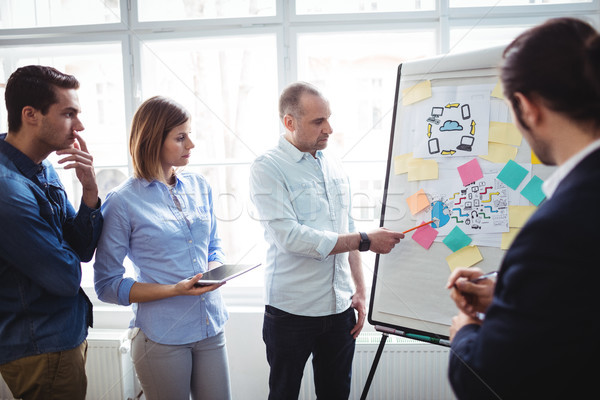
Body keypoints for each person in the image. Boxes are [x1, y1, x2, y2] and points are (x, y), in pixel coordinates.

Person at [446, 17, 600, 400]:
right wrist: (508, 294)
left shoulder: (554, 230)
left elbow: (487, 381)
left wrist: (465, 329)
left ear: (526, 107)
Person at [249, 82, 405, 399]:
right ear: (289, 122)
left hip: (339, 309)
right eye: (318, 121)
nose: (329, 129)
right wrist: (364, 239)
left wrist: (360, 291)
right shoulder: (268, 168)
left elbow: (346, 226)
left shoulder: (331, 162)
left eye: (328, 118)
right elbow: (291, 238)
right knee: (283, 394)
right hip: (291, 312)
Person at [93, 96, 231, 400]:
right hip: (162, 336)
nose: (191, 144)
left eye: (190, 134)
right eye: (180, 137)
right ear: (153, 140)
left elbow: (214, 245)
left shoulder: (199, 186)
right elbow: (107, 285)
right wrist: (175, 289)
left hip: (211, 325)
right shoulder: (122, 202)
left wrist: (215, 266)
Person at [0, 65, 103, 400]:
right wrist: (68, 251)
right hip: (40, 347)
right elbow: (66, 276)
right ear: (31, 114)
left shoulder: (41, 165)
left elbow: (82, 247)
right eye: (69, 113)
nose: (80, 126)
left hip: (61, 337)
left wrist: (89, 193)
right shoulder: (7, 189)